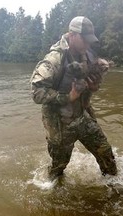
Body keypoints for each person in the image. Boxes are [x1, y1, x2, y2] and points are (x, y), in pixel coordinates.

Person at [30, 16, 117, 180]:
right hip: (60, 125)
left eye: (90, 41)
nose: (88, 44)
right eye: (85, 40)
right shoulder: (54, 60)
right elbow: (37, 93)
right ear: (72, 35)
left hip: (81, 116)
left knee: (106, 153)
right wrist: (68, 96)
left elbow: (91, 84)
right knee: (57, 170)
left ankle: (114, 190)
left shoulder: (87, 55)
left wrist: (93, 87)